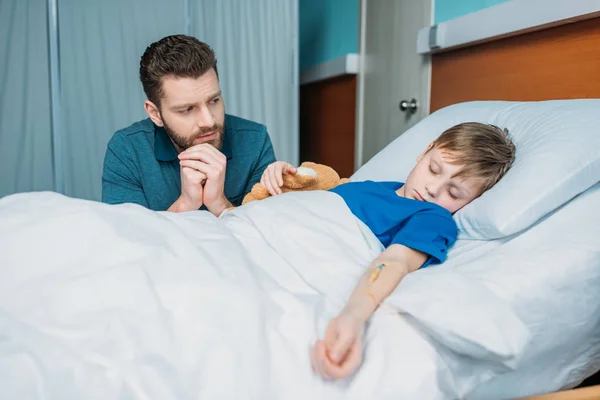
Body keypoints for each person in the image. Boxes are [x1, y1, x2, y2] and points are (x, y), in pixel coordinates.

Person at [260, 122, 516, 380]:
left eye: (453, 192)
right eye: (434, 169)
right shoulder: (368, 186)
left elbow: (396, 261)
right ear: (426, 150)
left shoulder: (433, 217)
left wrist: (352, 316)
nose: (433, 189)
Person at [101, 35, 276, 215]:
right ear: (155, 114)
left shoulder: (255, 140)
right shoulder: (127, 149)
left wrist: (219, 204)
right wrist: (185, 205)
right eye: (186, 109)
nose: (208, 121)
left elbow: (265, 236)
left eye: (213, 100)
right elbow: (127, 238)